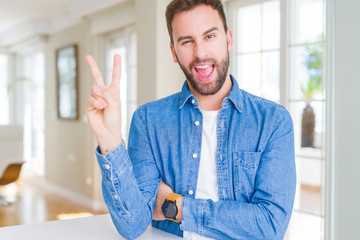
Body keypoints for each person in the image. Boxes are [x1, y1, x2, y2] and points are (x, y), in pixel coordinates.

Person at [85, 0, 296, 239]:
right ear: (174, 52)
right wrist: (110, 139)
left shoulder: (273, 121)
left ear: (228, 39)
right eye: (187, 41)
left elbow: (270, 226)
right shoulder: (147, 121)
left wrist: (174, 206)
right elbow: (133, 225)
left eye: (209, 36)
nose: (200, 53)